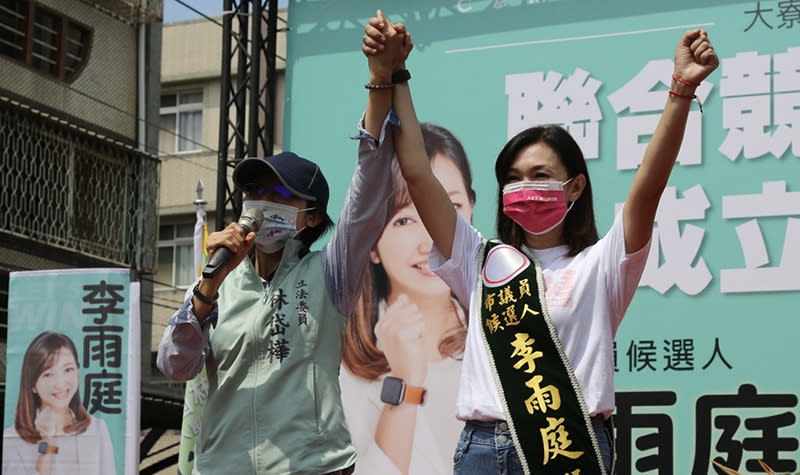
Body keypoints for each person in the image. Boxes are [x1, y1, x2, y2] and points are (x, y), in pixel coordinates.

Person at [363, 12, 719, 475]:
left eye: (540, 176)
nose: (523, 187)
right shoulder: (479, 259)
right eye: (512, 179)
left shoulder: (603, 263)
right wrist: (397, 76)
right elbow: (415, 170)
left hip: (570, 447)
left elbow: (649, 186)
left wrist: (681, 89)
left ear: (574, 188)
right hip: (483, 450)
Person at [155, 15, 413, 474]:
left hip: (311, 465)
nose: (260, 203)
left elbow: (370, 190)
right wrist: (206, 291)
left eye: (278, 195)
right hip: (223, 466)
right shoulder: (219, 281)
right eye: (254, 191)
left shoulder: (330, 272)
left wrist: (379, 82)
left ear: (310, 216)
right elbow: (175, 366)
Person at [340, 122, 476, 475]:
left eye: (451, 207)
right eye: (403, 220)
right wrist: (404, 385)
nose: (430, 239)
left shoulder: (499, 337)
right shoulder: (341, 363)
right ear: (372, 242)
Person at [3, 332, 116, 475]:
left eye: (68, 369)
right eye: (48, 374)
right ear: (32, 384)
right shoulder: (12, 440)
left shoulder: (97, 429)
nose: (60, 383)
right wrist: (48, 445)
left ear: (77, 372)